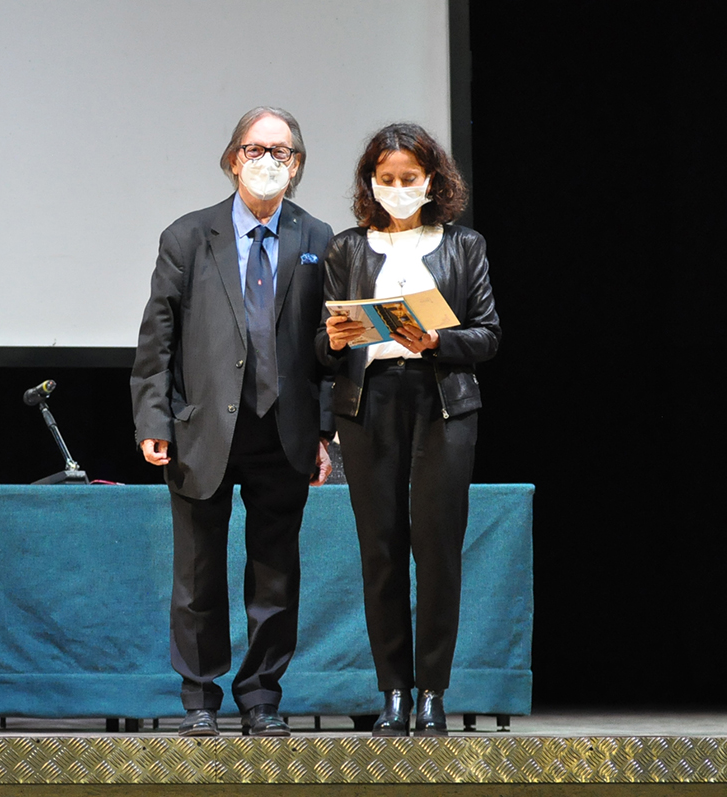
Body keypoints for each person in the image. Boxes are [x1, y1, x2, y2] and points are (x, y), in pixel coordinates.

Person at [131, 107, 334, 737]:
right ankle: (199, 696)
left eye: (281, 151)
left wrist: (325, 431)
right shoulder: (188, 235)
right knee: (197, 573)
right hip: (202, 428)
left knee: (276, 574)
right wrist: (153, 417)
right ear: (232, 158)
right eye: (256, 149)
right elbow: (157, 339)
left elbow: (330, 347)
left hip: (285, 429)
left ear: (297, 165)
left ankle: (261, 696)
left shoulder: (319, 238)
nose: (268, 160)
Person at [317, 123, 500, 737]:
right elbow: (320, 347)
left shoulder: (463, 245)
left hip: (441, 402)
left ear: (431, 181)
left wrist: (437, 341)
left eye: (409, 178)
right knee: (382, 552)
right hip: (369, 403)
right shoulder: (347, 249)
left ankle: (432, 693)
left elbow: (488, 334)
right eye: (386, 178)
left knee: (437, 549)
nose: (397, 188)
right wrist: (333, 339)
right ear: (371, 182)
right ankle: (394, 692)